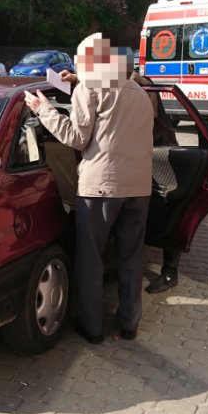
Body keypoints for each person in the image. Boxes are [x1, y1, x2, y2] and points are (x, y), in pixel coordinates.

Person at [24, 34, 153, 343]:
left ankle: (93, 328)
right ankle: (128, 325)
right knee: (131, 257)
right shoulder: (139, 91)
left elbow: (76, 137)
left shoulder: (88, 88)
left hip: (101, 188)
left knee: (91, 259)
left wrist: (44, 109)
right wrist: (77, 80)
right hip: (139, 187)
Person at [59, 53, 182, 295]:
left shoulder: (140, 84)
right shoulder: (118, 82)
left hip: (159, 150)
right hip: (134, 158)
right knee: (127, 219)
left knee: (168, 209)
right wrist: (77, 80)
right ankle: (122, 267)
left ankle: (170, 271)